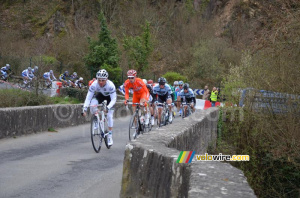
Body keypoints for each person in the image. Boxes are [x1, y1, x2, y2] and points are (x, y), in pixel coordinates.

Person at [82, 69, 116, 146]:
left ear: (106, 79)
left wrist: (108, 107)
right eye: (99, 80)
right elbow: (88, 98)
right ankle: (96, 120)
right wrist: (84, 108)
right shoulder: (94, 84)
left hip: (109, 99)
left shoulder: (110, 85)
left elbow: (114, 99)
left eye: (103, 80)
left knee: (110, 116)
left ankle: (110, 135)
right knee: (92, 104)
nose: (100, 82)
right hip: (100, 96)